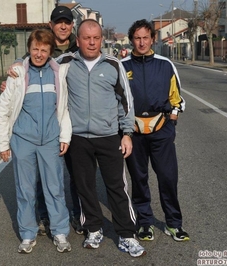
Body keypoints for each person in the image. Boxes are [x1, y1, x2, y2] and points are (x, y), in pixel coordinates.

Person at [57, 19, 146, 258]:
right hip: (78, 138)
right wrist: (14, 73)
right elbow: (35, 65)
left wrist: (127, 134)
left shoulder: (113, 65)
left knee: (117, 187)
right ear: (78, 41)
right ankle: (93, 229)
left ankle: (127, 234)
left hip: (109, 136)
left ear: (101, 39)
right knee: (84, 187)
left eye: (96, 37)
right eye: (87, 38)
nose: (92, 42)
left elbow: (126, 103)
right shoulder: (65, 63)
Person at [0, 5, 83, 236]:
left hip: (72, 122)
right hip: (47, 126)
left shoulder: (80, 47)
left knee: (74, 175)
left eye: (67, 21)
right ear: (51, 25)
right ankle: (45, 216)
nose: (63, 25)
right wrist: (13, 71)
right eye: (59, 22)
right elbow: (23, 64)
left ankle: (77, 214)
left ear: (72, 25)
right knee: (41, 179)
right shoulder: (40, 50)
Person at [0, 29, 72, 254]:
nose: (39, 54)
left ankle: (59, 231)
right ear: (29, 49)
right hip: (23, 140)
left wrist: (64, 136)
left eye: (44, 50)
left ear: (50, 51)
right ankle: (28, 233)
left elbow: (63, 107)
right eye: (35, 49)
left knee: (55, 188)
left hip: (50, 139)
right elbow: (3, 110)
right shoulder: (18, 73)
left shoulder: (58, 72)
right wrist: (2, 144)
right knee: (25, 190)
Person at [120, 19, 189, 242]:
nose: (141, 42)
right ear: (132, 40)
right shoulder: (122, 66)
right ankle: (145, 223)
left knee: (168, 178)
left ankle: (174, 224)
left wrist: (171, 122)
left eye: (145, 38)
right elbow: (117, 99)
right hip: (134, 133)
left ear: (153, 39)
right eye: (137, 38)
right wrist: (125, 130)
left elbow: (177, 98)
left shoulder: (165, 64)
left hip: (161, 132)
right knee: (139, 180)